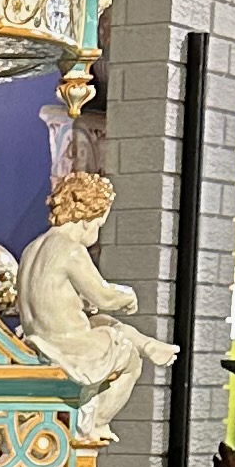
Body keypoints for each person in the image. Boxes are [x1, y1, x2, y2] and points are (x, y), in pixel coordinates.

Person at [18, 168, 177, 444]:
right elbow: (104, 296)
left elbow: (47, 297)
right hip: (66, 345)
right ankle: (95, 423)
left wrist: (79, 302)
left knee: (105, 323)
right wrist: (128, 296)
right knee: (129, 357)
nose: (98, 232)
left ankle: (150, 344)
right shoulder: (70, 250)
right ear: (86, 218)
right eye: (99, 224)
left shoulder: (32, 248)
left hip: (37, 338)